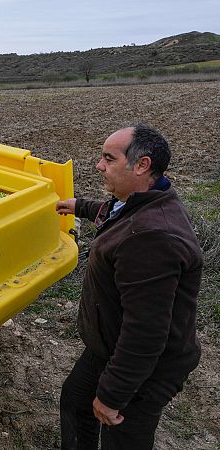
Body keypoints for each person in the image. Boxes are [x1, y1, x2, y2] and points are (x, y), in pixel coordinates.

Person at [55, 124, 202, 449]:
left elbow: (145, 333)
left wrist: (112, 395)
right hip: (110, 343)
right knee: (77, 401)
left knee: (122, 437)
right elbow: (116, 212)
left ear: (141, 165)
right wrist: (80, 205)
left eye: (109, 158)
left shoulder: (151, 239)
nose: (99, 165)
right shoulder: (145, 199)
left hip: (146, 366)